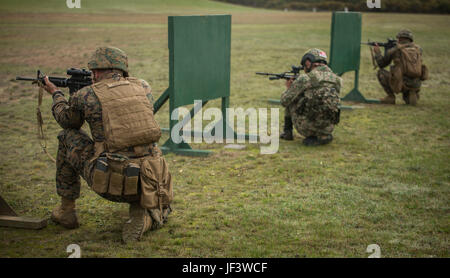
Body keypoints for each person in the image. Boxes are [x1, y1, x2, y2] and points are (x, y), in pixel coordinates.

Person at [41, 46, 173, 243]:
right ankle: (146, 213)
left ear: (94, 72)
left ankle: (66, 211)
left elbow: (68, 121)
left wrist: (56, 94)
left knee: (67, 137)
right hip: (153, 178)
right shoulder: (143, 87)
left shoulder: (85, 95)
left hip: (112, 182)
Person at [280, 49, 342, 146]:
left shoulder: (306, 78)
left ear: (308, 62)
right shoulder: (336, 79)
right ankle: (324, 135)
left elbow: (284, 101)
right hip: (328, 128)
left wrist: (289, 88)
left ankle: (287, 133)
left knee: (292, 100)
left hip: (307, 128)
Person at [374, 29, 428, 105]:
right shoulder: (418, 49)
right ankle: (412, 93)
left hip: (400, 83)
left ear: (399, 38)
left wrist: (378, 53)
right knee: (408, 100)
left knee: (381, 73)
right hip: (416, 83)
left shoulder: (395, 50)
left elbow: (382, 64)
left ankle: (390, 97)